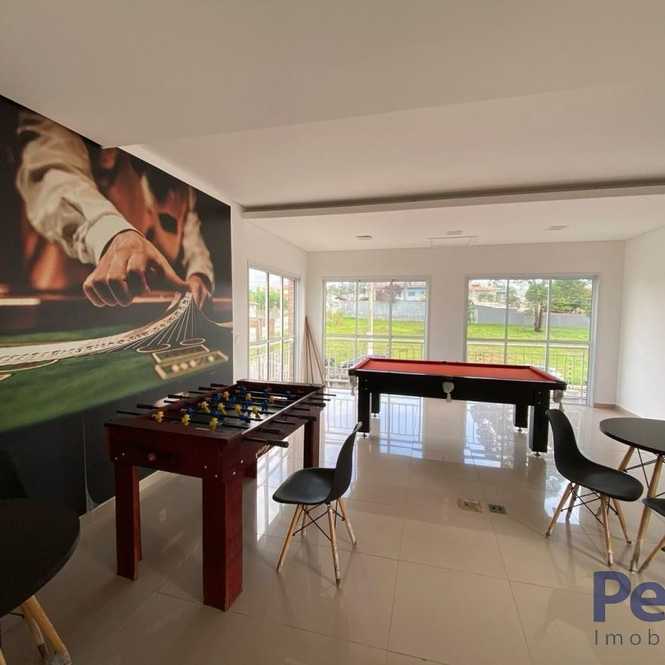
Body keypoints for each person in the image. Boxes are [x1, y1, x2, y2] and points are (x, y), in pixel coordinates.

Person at [14, 110, 214, 308]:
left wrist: (199, 275)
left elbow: (192, 239)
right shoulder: (66, 114)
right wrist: (113, 236)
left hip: (145, 313)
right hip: (59, 310)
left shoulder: (179, 178)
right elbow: (55, 179)